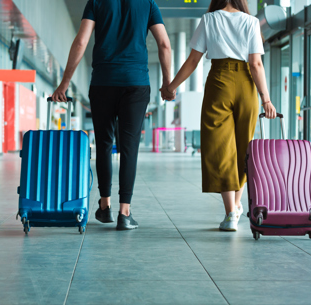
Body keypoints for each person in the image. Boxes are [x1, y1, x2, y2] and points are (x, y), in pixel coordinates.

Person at [52, 0, 173, 230]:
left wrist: (64, 84)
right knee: (129, 147)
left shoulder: (96, 1)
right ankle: (125, 213)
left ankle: (105, 207)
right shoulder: (147, 4)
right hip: (136, 83)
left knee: (104, 144)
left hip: (103, 82)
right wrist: (167, 83)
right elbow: (164, 44)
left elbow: (81, 41)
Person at [161, 0, 276, 231]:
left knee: (221, 148)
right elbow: (256, 64)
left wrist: (171, 87)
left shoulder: (209, 19)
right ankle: (236, 203)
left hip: (219, 83)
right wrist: (266, 99)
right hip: (246, 85)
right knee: (245, 148)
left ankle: (231, 212)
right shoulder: (251, 22)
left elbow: (193, 60)